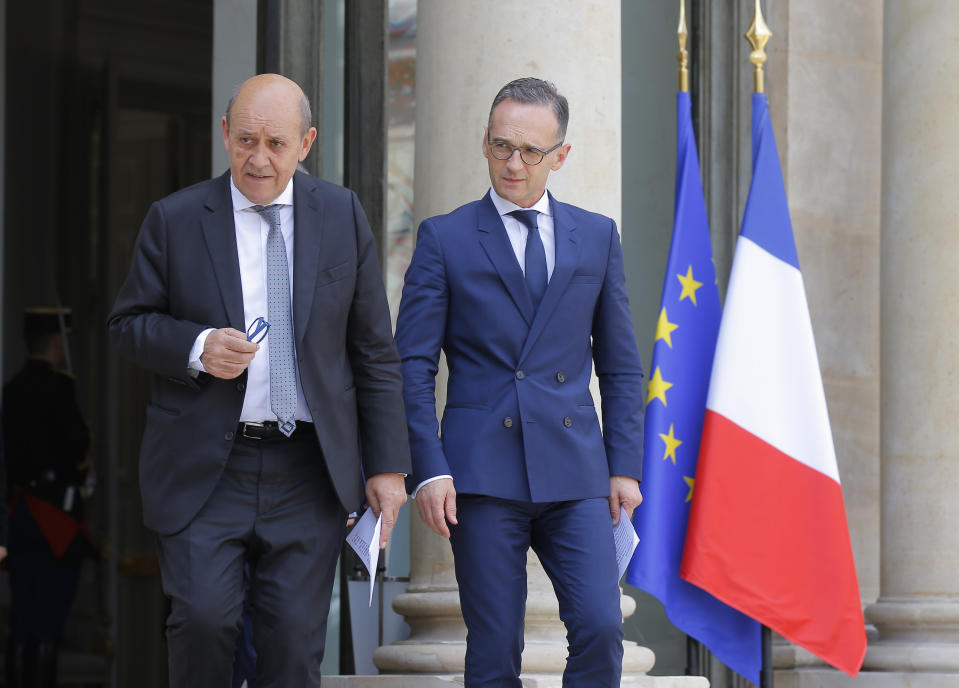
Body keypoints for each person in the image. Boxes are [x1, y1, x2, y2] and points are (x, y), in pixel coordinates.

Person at [108, 73, 410, 687]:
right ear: (224, 134)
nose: (259, 158)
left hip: (308, 469)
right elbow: (127, 324)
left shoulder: (342, 215)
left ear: (307, 143)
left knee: (295, 647)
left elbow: (373, 350)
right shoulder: (176, 217)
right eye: (245, 139)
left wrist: (386, 467)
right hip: (204, 467)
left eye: (276, 143)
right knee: (202, 621)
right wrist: (196, 346)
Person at [395, 77, 645, 687]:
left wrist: (625, 466)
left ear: (560, 155)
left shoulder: (597, 236)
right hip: (480, 475)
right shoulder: (445, 237)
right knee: (494, 646)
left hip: (576, 472)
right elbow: (411, 365)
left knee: (600, 628)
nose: (514, 163)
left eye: (531, 151)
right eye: (502, 146)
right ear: (485, 143)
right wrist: (429, 468)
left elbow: (620, 363)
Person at [3, 307, 94, 688]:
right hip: (56, 515)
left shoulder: (10, 389)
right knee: (50, 621)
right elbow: (78, 445)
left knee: (23, 619)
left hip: (22, 513)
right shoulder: (60, 387)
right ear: (57, 343)